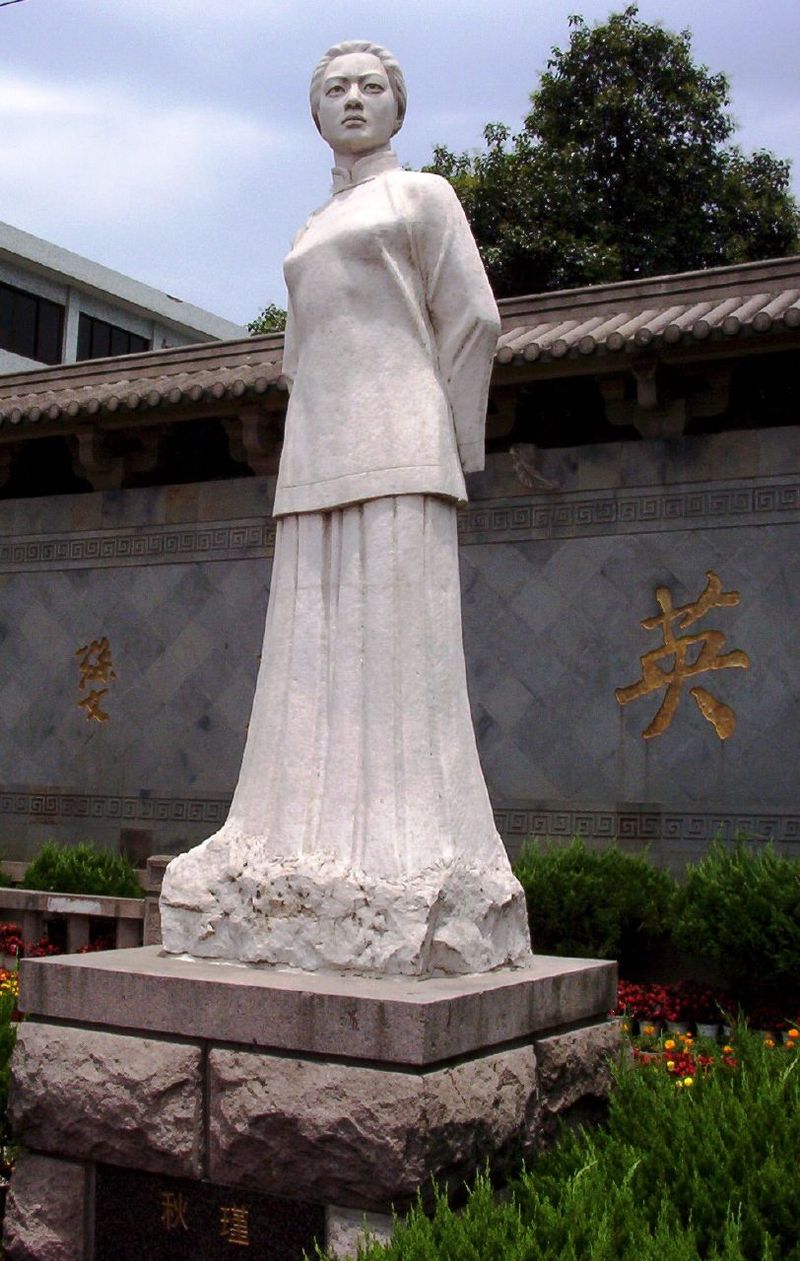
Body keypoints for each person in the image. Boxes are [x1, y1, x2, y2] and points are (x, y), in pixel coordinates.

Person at [160, 41, 532, 974]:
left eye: (371, 87)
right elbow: (298, 357)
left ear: (399, 107)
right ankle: (288, 839)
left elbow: (475, 319)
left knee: (395, 639)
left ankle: (408, 852)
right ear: (315, 113)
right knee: (311, 644)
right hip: (318, 443)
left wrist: (444, 439)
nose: (354, 100)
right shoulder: (313, 222)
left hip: (399, 440)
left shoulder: (423, 197)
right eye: (335, 90)